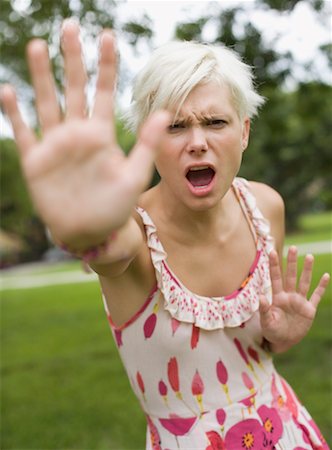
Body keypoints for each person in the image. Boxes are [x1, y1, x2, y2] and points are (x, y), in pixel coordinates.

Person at [1, 19, 330, 450]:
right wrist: (84, 225)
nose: (197, 142)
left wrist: (278, 337)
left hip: (287, 431)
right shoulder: (135, 236)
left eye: (215, 122)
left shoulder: (267, 207)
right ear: (149, 140)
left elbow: (257, 345)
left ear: (244, 132)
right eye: (175, 127)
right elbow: (108, 249)